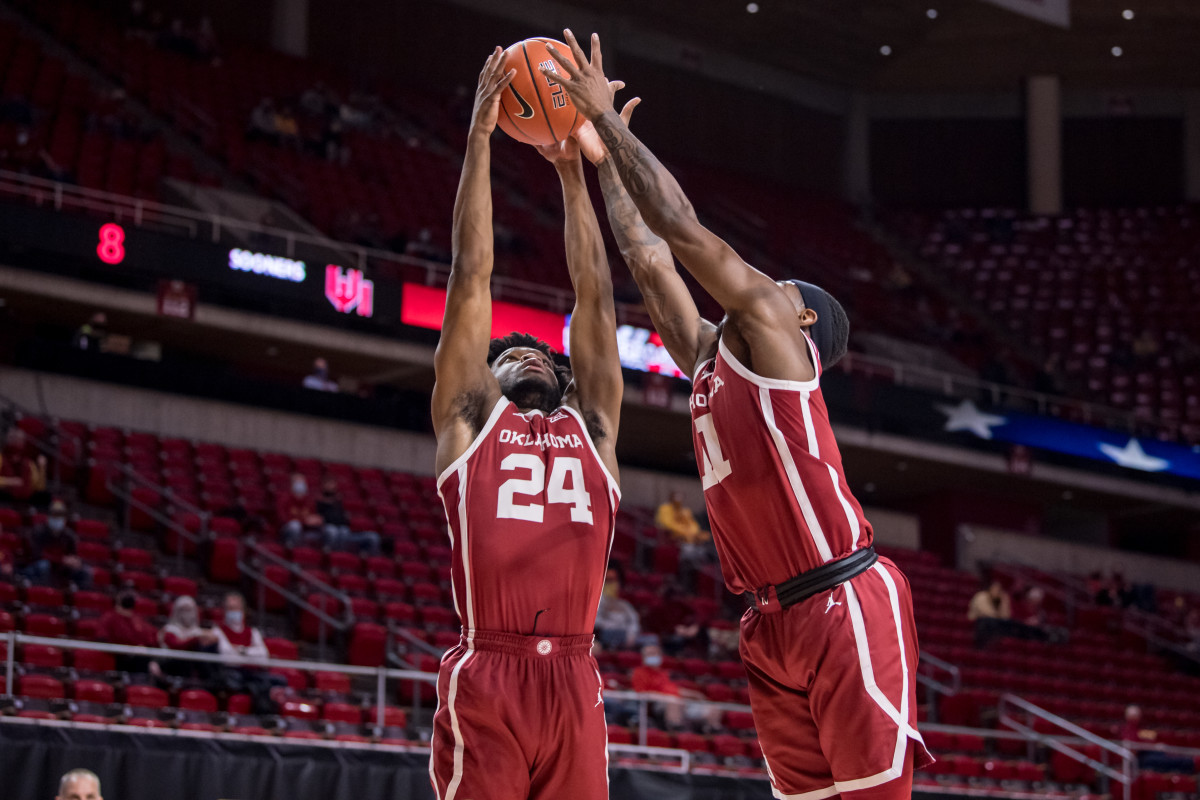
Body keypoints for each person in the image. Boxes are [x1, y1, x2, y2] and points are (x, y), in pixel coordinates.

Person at [548, 32, 931, 798]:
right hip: (769, 619)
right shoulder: (712, 361)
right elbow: (652, 261)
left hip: (839, 595)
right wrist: (598, 159)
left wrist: (616, 127)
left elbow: (684, 230)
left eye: (781, 286)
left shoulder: (776, 348)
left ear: (803, 325)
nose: (763, 284)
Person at [426, 48, 626, 800]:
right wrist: (479, 138)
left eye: (543, 352)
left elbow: (596, 299)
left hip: (576, 675)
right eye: (511, 353)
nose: (531, 354)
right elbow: (470, 273)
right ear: (488, 380)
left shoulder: (594, 427)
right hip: (490, 673)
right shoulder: (467, 420)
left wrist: (572, 171)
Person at [212, 591, 284, 714]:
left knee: (279, 680)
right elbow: (227, 658)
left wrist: (240, 650)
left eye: (236, 608)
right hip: (232, 675)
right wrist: (250, 654)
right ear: (224, 611)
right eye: (230, 608)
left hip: (253, 674)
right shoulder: (218, 631)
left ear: (243, 611)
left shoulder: (253, 632)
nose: (233, 612)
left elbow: (264, 657)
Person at [630, 641, 722, 732]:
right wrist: (666, 697)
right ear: (644, 657)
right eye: (651, 654)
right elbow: (642, 693)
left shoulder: (662, 673)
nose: (654, 656)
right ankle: (676, 730)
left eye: (656, 653)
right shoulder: (639, 673)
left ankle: (713, 731)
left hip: (679, 701)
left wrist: (692, 694)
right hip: (658, 703)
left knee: (714, 707)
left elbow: (671, 689)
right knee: (674, 701)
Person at [23, 498, 90, 587]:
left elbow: (73, 555)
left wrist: (76, 562)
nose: (57, 518)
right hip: (38, 566)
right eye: (54, 515)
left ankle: (77, 596)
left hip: (60, 568)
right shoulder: (38, 531)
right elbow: (37, 554)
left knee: (85, 571)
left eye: (60, 515)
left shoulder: (69, 535)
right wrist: (61, 560)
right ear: (49, 516)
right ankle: (41, 593)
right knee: (44, 565)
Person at [96, 589, 162, 676]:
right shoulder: (109, 618)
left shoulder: (138, 619)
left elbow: (152, 639)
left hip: (140, 658)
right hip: (119, 659)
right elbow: (102, 639)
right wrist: (128, 651)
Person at [315, 477, 380, 555]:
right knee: (333, 531)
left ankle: (345, 555)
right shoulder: (319, 501)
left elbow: (345, 518)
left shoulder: (338, 502)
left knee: (345, 530)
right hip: (326, 527)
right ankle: (331, 554)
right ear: (323, 485)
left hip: (342, 527)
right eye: (328, 484)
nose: (331, 486)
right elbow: (317, 518)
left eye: (332, 484)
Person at [159, 595, 219, 679]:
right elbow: (176, 646)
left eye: (189, 610)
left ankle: (213, 680)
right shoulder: (169, 630)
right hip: (172, 667)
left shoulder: (198, 631)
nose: (186, 613)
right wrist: (196, 639)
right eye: (183, 610)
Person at [594, 564, 641, 650]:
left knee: (650, 640)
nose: (612, 585)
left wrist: (631, 634)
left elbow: (634, 621)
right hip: (605, 635)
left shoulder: (624, 604)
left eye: (614, 581)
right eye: (608, 581)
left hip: (625, 635)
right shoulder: (597, 602)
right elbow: (596, 622)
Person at [276, 473, 322, 546]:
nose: (300, 485)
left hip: (306, 529)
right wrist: (304, 521)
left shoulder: (309, 501)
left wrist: (317, 520)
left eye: (302, 482)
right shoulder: (284, 499)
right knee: (295, 525)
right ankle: (293, 550)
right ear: (292, 484)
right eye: (298, 482)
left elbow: (313, 517)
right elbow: (282, 518)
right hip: (288, 530)